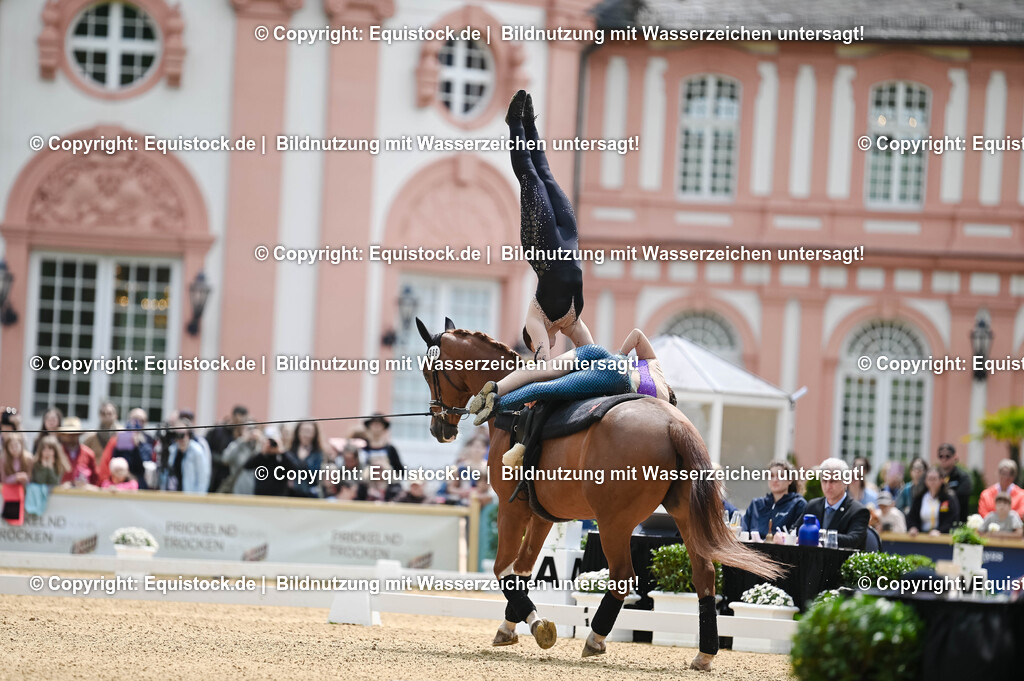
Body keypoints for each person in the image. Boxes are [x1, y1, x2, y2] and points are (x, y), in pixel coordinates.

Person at [506, 89, 594, 361]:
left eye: (543, 343)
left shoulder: (536, 320)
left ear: (532, 342)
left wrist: (539, 352)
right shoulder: (572, 324)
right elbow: (594, 355)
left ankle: (518, 124)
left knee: (534, 176)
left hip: (542, 244)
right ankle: (530, 123)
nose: (553, 345)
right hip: (568, 240)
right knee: (548, 177)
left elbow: (542, 363)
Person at [469, 327, 674, 428]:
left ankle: (495, 388)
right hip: (614, 375)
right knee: (545, 388)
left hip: (599, 353)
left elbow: (637, 333)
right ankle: (496, 405)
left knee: (538, 371)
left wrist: (620, 355)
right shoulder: (662, 402)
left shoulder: (656, 367)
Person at [804, 458, 870, 549]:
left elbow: (853, 540)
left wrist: (817, 536)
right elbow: (795, 530)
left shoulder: (858, 511)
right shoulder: (812, 506)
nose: (828, 486)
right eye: (824, 481)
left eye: (833, 481)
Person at [741, 460, 807, 538]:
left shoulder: (798, 504)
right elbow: (742, 532)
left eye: (780, 476)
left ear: (790, 480)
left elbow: (796, 537)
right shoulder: (756, 504)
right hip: (751, 549)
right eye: (771, 476)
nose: (775, 480)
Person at [205, 405, 249, 492]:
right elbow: (207, 450)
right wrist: (221, 459)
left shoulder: (243, 435)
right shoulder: (218, 431)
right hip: (216, 475)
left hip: (234, 477)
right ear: (233, 417)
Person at [907, 465, 960, 536]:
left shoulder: (949, 498)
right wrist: (913, 527)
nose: (932, 482)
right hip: (922, 536)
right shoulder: (919, 498)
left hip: (942, 537)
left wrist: (940, 531)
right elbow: (912, 517)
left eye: (934, 479)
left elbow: (951, 520)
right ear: (925, 481)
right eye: (929, 479)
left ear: (941, 480)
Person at [245, 427, 297, 496]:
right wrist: (262, 453)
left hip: (279, 497)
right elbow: (247, 466)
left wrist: (281, 452)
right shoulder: (261, 456)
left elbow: (295, 469)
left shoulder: (283, 456)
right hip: (260, 496)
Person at [363, 414, 404, 500]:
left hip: (387, 490)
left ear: (384, 428)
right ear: (369, 427)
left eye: (379, 425)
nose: (376, 427)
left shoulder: (390, 449)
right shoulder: (363, 448)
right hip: (366, 488)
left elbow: (400, 472)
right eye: (374, 424)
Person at [161, 422, 210, 494]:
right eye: (177, 435)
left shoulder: (197, 451)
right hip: (173, 494)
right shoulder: (172, 450)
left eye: (182, 434)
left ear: (189, 435)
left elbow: (203, 479)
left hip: (190, 496)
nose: (180, 438)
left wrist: (198, 499)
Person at [285, 421, 327, 498]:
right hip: (290, 494)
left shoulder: (318, 453)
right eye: (304, 431)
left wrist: (302, 461)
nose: (306, 435)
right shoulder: (290, 451)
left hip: (309, 495)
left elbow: (313, 475)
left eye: (309, 431)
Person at [218, 422, 262, 494]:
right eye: (249, 429)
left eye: (254, 429)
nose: (251, 432)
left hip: (255, 486)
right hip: (237, 485)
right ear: (242, 430)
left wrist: (260, 441)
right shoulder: (236, 444)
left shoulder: (259, 446)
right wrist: (242, 441)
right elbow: (225, 459)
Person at [936, 443, 971, 522]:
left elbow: (960, 498)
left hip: (957, 522)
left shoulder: (962, 477)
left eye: (947, 456)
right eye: (941, 456)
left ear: (955, 457)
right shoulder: (935, 476)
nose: (943, 459)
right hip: (937, 522)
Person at [57, 418, 98, 486]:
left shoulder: (89, 454)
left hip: (82, 494)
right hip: (60, 494)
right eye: (67, 434)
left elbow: (95, 479)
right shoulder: (57, 452)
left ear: (78, 434)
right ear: (63, 435)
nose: (70, 437)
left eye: (74, 434)